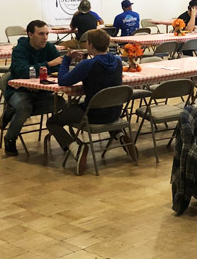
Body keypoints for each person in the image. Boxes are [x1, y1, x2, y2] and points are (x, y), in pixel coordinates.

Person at [47, 30, 134, 173]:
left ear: (90, 45)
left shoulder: (88, 64)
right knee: (103, 104)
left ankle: (77, 148)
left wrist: (68, 59)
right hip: (115, 112)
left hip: (93, 115)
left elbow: (63, 80)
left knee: (53, 122)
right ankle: (120, 135)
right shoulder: (118, 61)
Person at [0, 20, 63, 156]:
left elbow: (59, 66)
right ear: (30, 34)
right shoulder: (19, 50)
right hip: (18, 90)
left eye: (47, 33)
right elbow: (21, 71)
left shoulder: (49, 48)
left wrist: (46, 66)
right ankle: (10, 138)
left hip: (42, 91)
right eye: (41, 34)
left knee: (62, 103)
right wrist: (48, 64)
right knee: (25, 107)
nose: (45, 37)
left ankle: (65, 140)